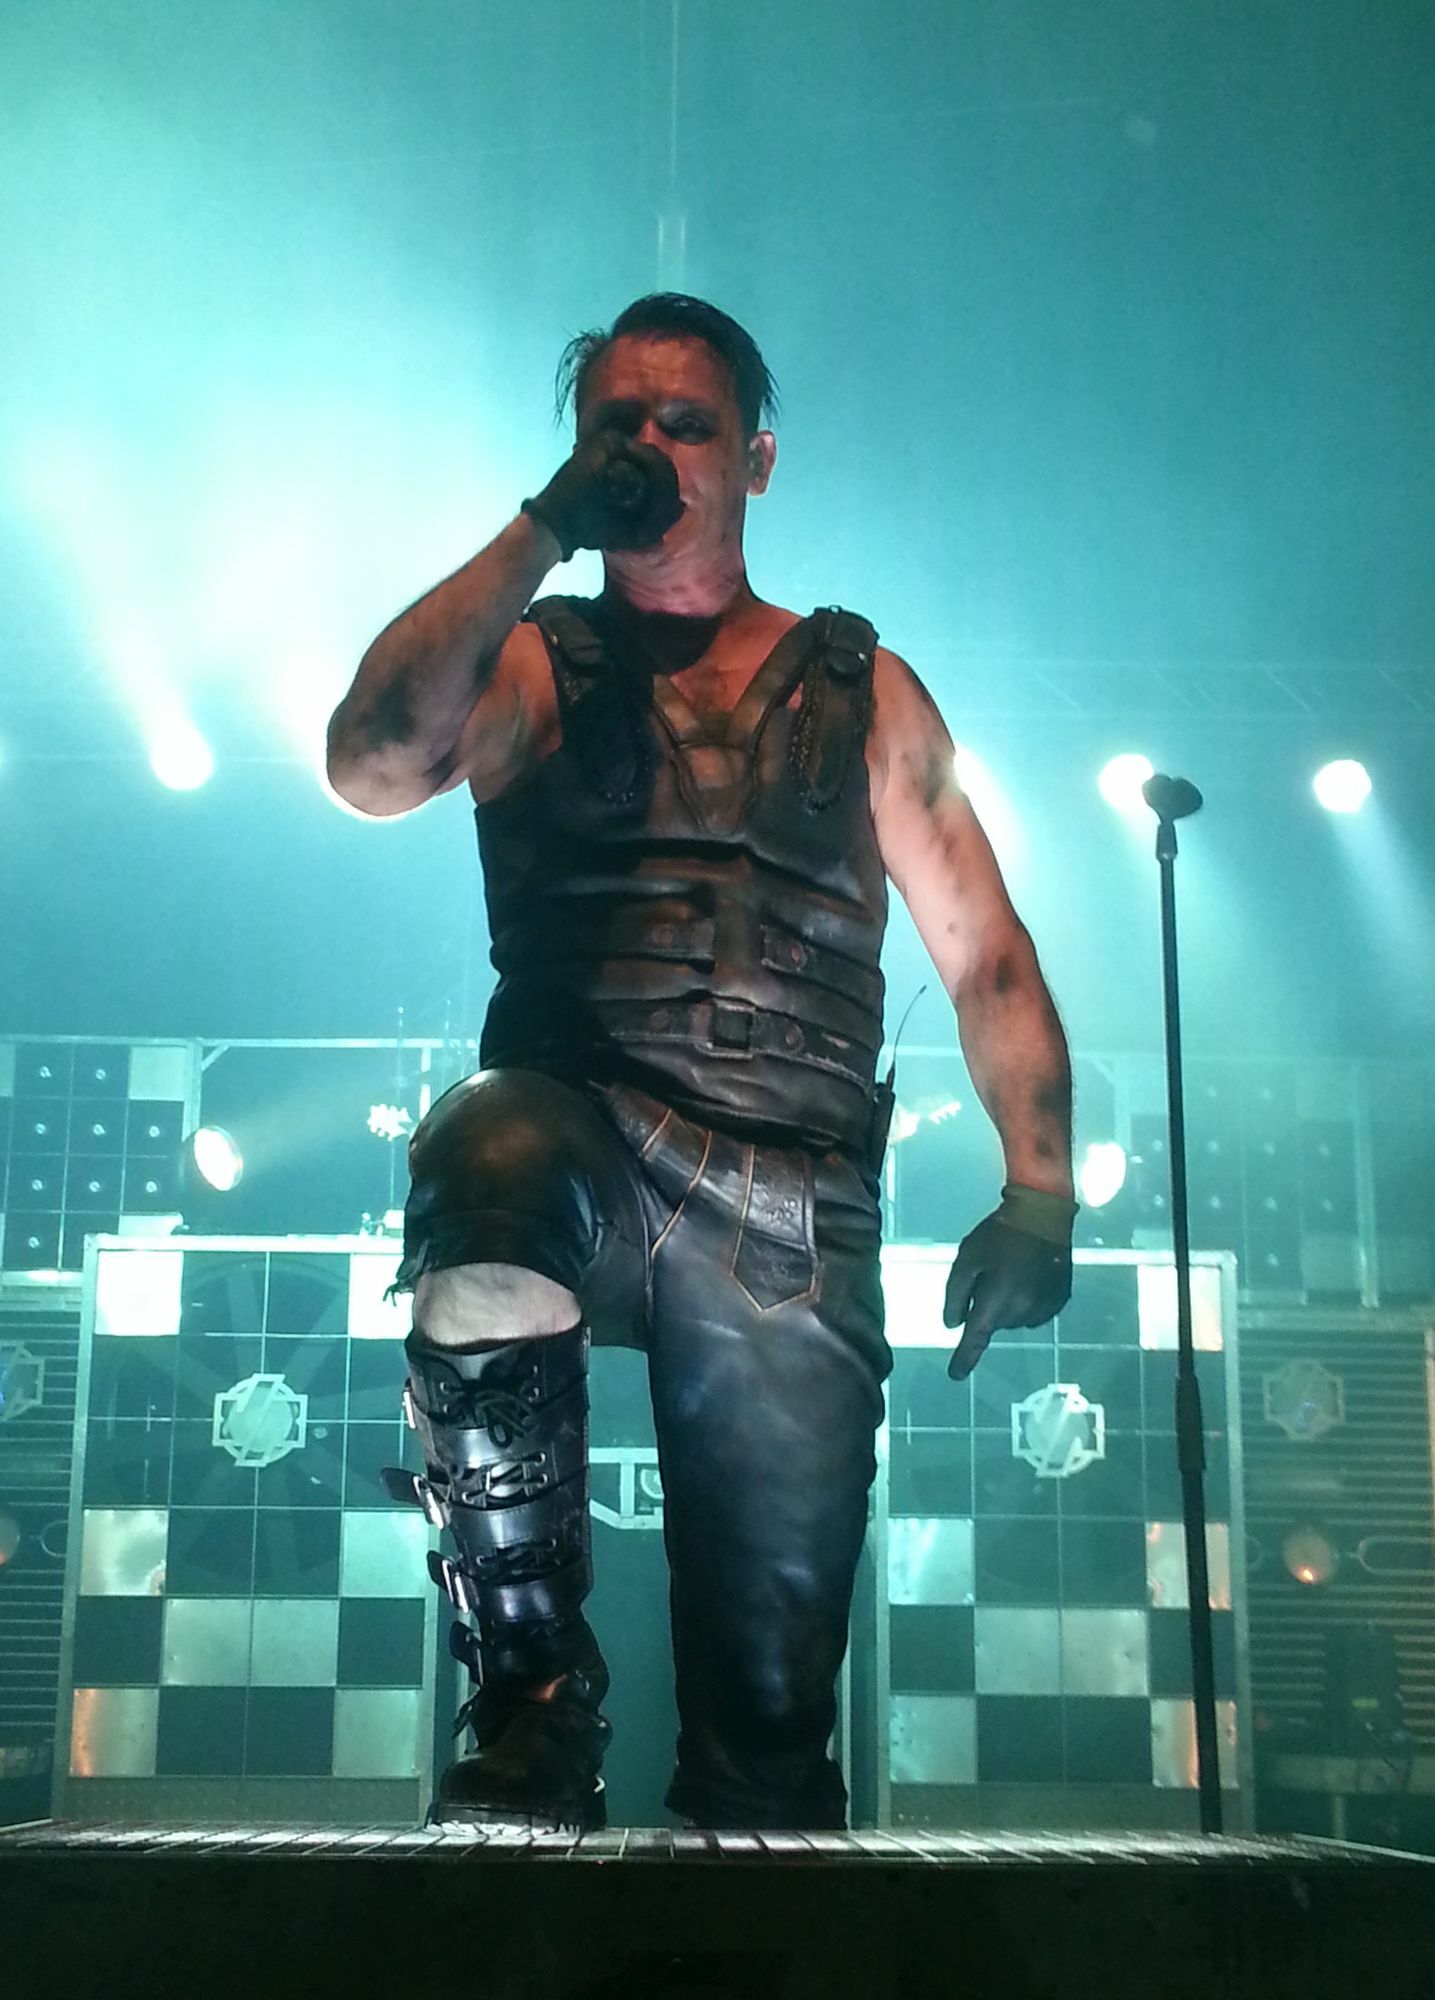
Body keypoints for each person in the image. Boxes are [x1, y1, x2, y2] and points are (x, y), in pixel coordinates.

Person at [326, 294, 1075, 1832]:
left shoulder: (862, 690)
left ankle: (749, 1858)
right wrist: (543, 527)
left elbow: (986, 952)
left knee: (769, 1752)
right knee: (486, 1155)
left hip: (789, 1204)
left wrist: (1041, 1191)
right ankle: (531, 1690)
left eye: (687, 423)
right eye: (620, 423)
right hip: (582, 1146)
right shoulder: (530, 667)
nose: (652, 446)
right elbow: (370, 761)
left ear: (758, 459)